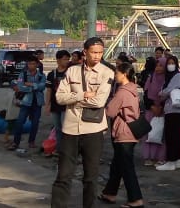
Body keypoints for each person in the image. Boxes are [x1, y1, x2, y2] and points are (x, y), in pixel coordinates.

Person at [51, 37, 115, 208]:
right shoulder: (72, 72)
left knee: (90, 178)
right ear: (85, 52)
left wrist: (72, 99)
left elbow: (99, 102)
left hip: (93, 130)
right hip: (70, 129)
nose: (97, 56)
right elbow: (59, 97)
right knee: (63, 176)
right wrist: (83, 95)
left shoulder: (106, 73)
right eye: (93, 52)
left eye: (100, 53)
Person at [98, 62, 145, 207]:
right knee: (118, 165)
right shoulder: (133, 89)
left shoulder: (122, 92)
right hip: (131, 132)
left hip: (123, 132)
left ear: (124, 74)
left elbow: (110, 111)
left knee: (126, 167)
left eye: (117, 73)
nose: (115, 75)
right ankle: (109, 193)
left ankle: (135, 199)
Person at [156, 55, 180, 171]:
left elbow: (169, 90)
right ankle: (177, 159)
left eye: (172, 63)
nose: (170, 65)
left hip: (174, 109)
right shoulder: (170, 77)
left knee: (170, 135)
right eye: (168, 63)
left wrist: (161, 93)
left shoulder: (177, 75)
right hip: (172, 109)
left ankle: (171, 161)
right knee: (173, 134)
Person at [10, 58, 46, 152]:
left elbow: (42, 86)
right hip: (26, 102)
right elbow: (20, 87)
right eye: (29, 63)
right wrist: (34, 87)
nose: (31, 66)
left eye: (33, 64)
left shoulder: (41, 75)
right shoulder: (23, 74)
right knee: (19, 122)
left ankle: (31, 141)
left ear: (37, 64)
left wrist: (30, 84)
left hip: (37, 102)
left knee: (35, 123)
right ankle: (15, 142)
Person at [45, 50, 72, 155]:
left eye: (67, 59)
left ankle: (66, 150)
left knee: (66, 128)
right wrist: (47, 105)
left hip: (66, 105)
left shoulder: (70, 73)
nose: (67, 61)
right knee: (57, 128)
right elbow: (48, 90)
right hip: (55, 105)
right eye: (65, 59)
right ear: (58, 60)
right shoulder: (52, 74)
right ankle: (59, 149)